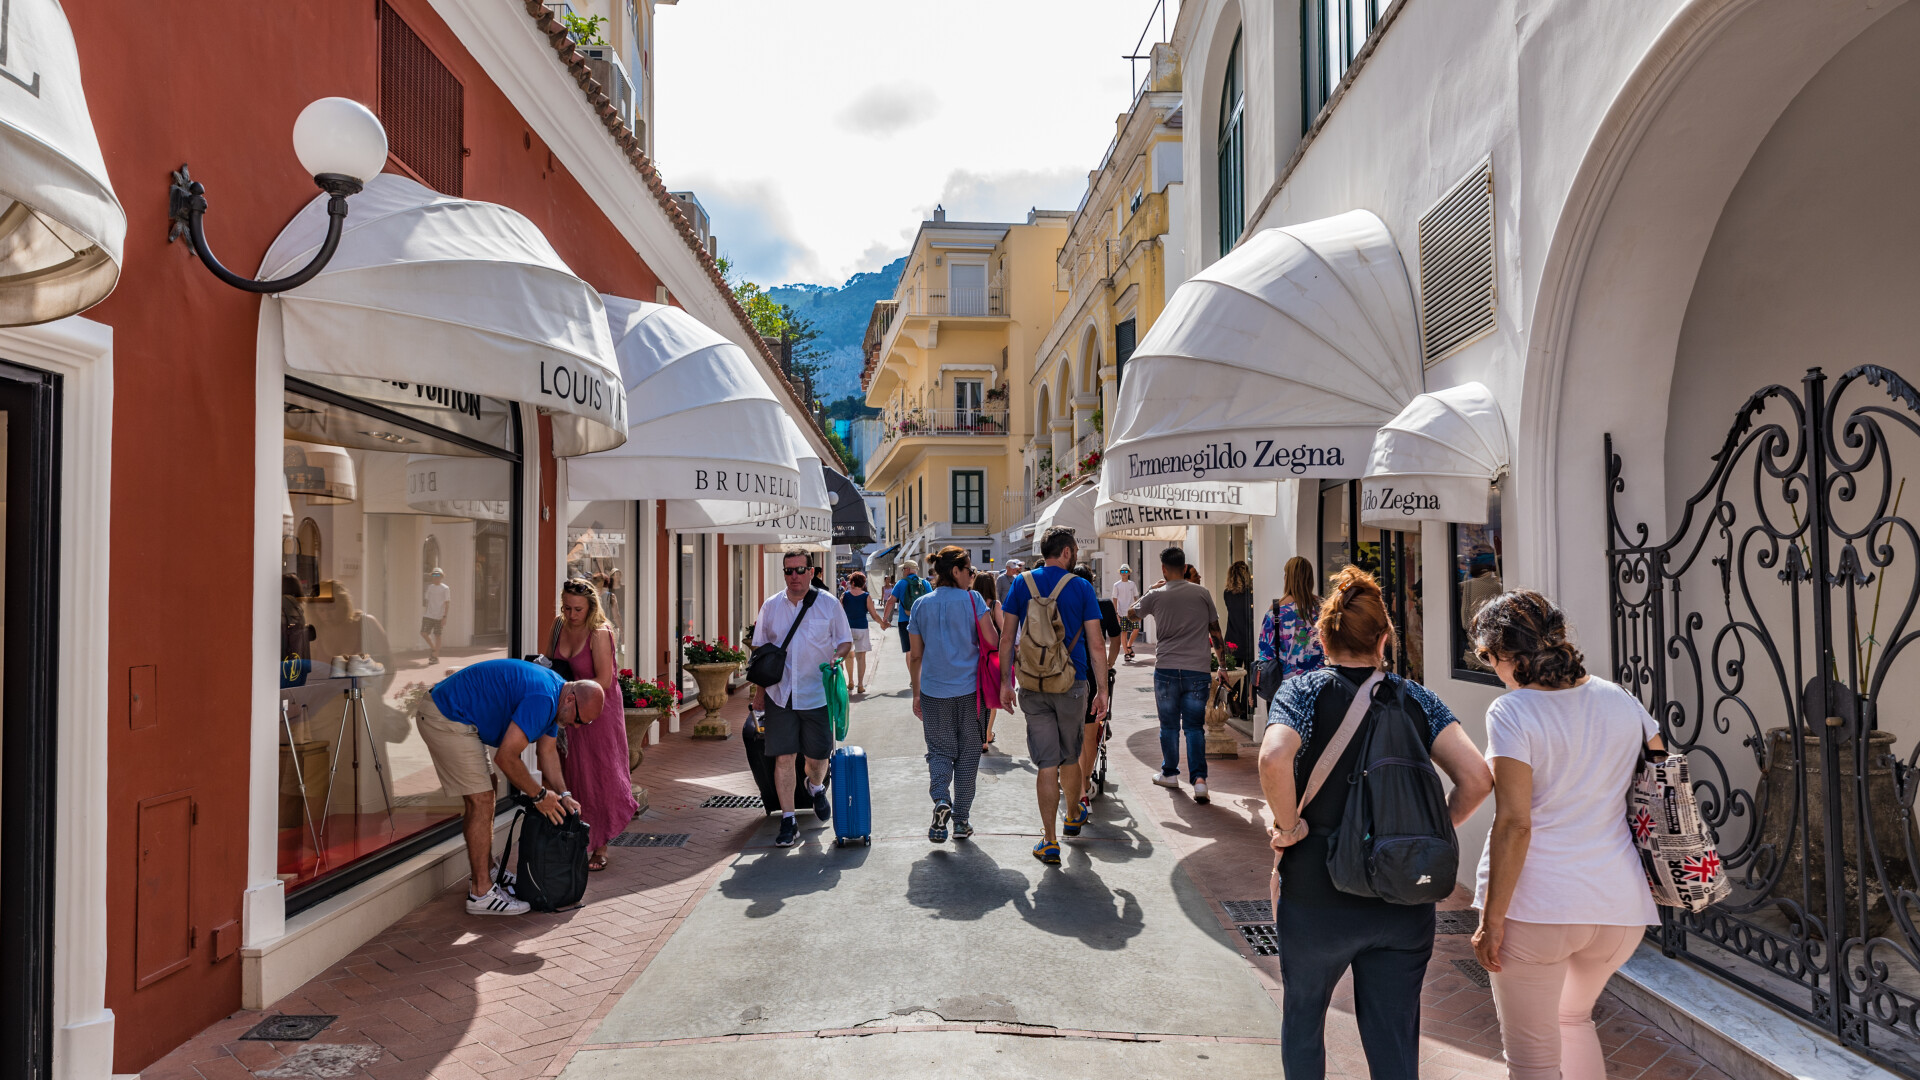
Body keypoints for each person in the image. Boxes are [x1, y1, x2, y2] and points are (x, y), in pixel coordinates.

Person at [1258, 566, 1494, 1079]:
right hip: (1402, 892)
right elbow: (1477, 777)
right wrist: (1438, 828)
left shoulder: (1303, 692)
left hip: (1318, 888)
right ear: (1384, 638)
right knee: (1394, 1041)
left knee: (1303, 1022)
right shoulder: (1417, 700)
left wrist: (1288, 826)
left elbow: (1274, 759)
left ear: (1322, 636)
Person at [1468, 590, 1661, 1080]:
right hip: (1619, 907)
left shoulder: (1512, 712)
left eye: (1490, 659)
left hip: (1540, 908)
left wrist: (1492, 920)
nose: (1494, 670)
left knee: (1532, 1063)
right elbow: (1662, 769)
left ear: (1506, 652)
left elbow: (1515, 822)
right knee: (1573, 1019)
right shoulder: (1620, 697)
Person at [414, 659, 600, 916]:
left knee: (485, 791)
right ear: (570, 699)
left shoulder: (556, 694)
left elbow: (547, 752)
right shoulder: (544, 698)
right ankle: (481, 893)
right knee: (481, 799)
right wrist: (539, 796)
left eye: (584, 724)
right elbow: (506, 757)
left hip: (460, 716)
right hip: (446, 716)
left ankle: (487, 871)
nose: (577, 727)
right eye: (579, 719)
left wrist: (564, 794)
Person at [998, 527, 1108, 865]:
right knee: (1070, 755)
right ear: (1066, 552)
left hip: (1032, 683)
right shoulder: (1081, 587)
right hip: (1072, 684)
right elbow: (1095, 644)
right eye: (1074, 549)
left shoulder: (1021, 583)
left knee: (1046, 763)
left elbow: (1007, 637)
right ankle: (1072, 814)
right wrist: (1102, 689)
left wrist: (1005, 681)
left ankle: (1049, 841)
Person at [752, 549, 854, 848]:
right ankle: (788, 820)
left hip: (817, 693)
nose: (793, 576)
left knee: (818, 757)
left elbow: (845, 640)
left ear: (812, 571)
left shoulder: (829, 604)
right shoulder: (771, 606)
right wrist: (759, 694)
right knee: (784, 758)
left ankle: (816, 785)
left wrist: (837, 658)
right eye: (788, 571)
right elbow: (760, 651)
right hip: (780, 694)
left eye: (799, 570)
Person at [908, 546, 999, 843]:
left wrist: (916, 693)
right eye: (969, 570)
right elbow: (992, 640)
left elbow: (916, 656)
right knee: (969, 757)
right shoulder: (973, 600)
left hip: (934, 691)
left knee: (939, 751)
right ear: (956, 571)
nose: (972, 575)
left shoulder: (921, 605)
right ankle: (960, 821)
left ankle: (940, 801)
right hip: (971, 692)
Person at [548, 578, 635, 872]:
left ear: (591, 607)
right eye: (566, 607)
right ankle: (577, 839)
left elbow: (605, 680)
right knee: (572, 772)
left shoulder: (600, 632)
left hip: (599, 710)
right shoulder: (558, 626)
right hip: (567, 710)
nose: (571, 614)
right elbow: (549, 665)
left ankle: (600, 844)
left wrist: (569, 694)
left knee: (600, 774)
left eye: (577, 609)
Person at [1132, 546, 1222, 803]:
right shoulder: (1202, 593)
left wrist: (1149, 591)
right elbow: (1216, 632)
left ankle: (1170, 773)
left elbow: (1128, 616)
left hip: (1167, 669)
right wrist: (1223, 667)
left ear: (1164, 569)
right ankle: (1200, 781)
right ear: (1184, 568)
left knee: (1169, 726)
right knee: (1194, 728)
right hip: (1198, 670)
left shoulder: (1156, 595)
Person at [1077, 564, 1122, 809]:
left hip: (1072, 672)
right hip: (1094, 673)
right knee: (1091, 733)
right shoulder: (1103, 605)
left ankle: (1077, 782)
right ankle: (1084, 781)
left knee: (1074, 732)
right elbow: (1116, 637)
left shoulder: (1069, 604)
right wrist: (1109, 662)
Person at [1259, 556, 1327, 713]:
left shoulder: (1276, 610)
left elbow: (1266, 653)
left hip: (1285, 686)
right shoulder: (1323, 608)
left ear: (1287, 578)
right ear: (1310, 578)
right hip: (1319, 684)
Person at [971, 570, 1003, 752]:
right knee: (990, 696)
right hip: (991, 655)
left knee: (976, 696)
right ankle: (987, 735)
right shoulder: (994, 605)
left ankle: (978, 734)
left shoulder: (970, 602)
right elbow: (1003, 628)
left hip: (974, 653)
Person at [840, 571, 885, 694]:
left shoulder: (845, 595)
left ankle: (850, 681)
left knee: (849, 655)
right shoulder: (866, 596)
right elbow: (874, 614)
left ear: (853, 582)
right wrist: (882, 624)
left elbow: (839, 613)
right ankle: (860, 685)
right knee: (861, 657)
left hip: (847, 629)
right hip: (862, 629)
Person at [1223, 560, 1256, 718]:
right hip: (1248, 638)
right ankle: (1245, 707)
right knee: (1249, 674)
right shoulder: (1250, 595)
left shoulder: (1227, 594)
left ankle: (1233, 704)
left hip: (1232, 639)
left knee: (1232, 675)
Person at [884, 559, 930, 654]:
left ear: (908, 569)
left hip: (905, 620)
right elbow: (932, 602)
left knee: (909, 651)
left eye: (903, 569)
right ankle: (921, 669)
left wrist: (885, 619)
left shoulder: (901, 583)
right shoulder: (925, 583)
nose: (903, 571)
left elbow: (890, 602)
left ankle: (912, 669)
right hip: (923, 620)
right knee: (923, 650)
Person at [1111, 564, 1140, 662]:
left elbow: (1136, 597)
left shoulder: (1132, 584)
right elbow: (1114, 598)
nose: (1124, 573)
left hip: (1132, 612)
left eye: (1126, 571)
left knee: (1136, 629)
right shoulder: (1116, 585)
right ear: (1120, 573)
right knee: (1124, 632)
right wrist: (1116, 612)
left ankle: (1129, 645)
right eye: (1122, 571)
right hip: (1122, 612)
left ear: (1129, 573)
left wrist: (1138, 609)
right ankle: (1126, 653)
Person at [420, 568, 450, 663]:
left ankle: (435, 657)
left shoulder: (445, 588)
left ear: (441, 577)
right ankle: (434, 649)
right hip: (429, 614)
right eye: (434, 575)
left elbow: (447, 603)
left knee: (437, 635)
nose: (436, 577)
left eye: (438, 575)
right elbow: (427, 600)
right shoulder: (430, 587)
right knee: (424, 633)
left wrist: (444, 617)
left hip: (439, 615)